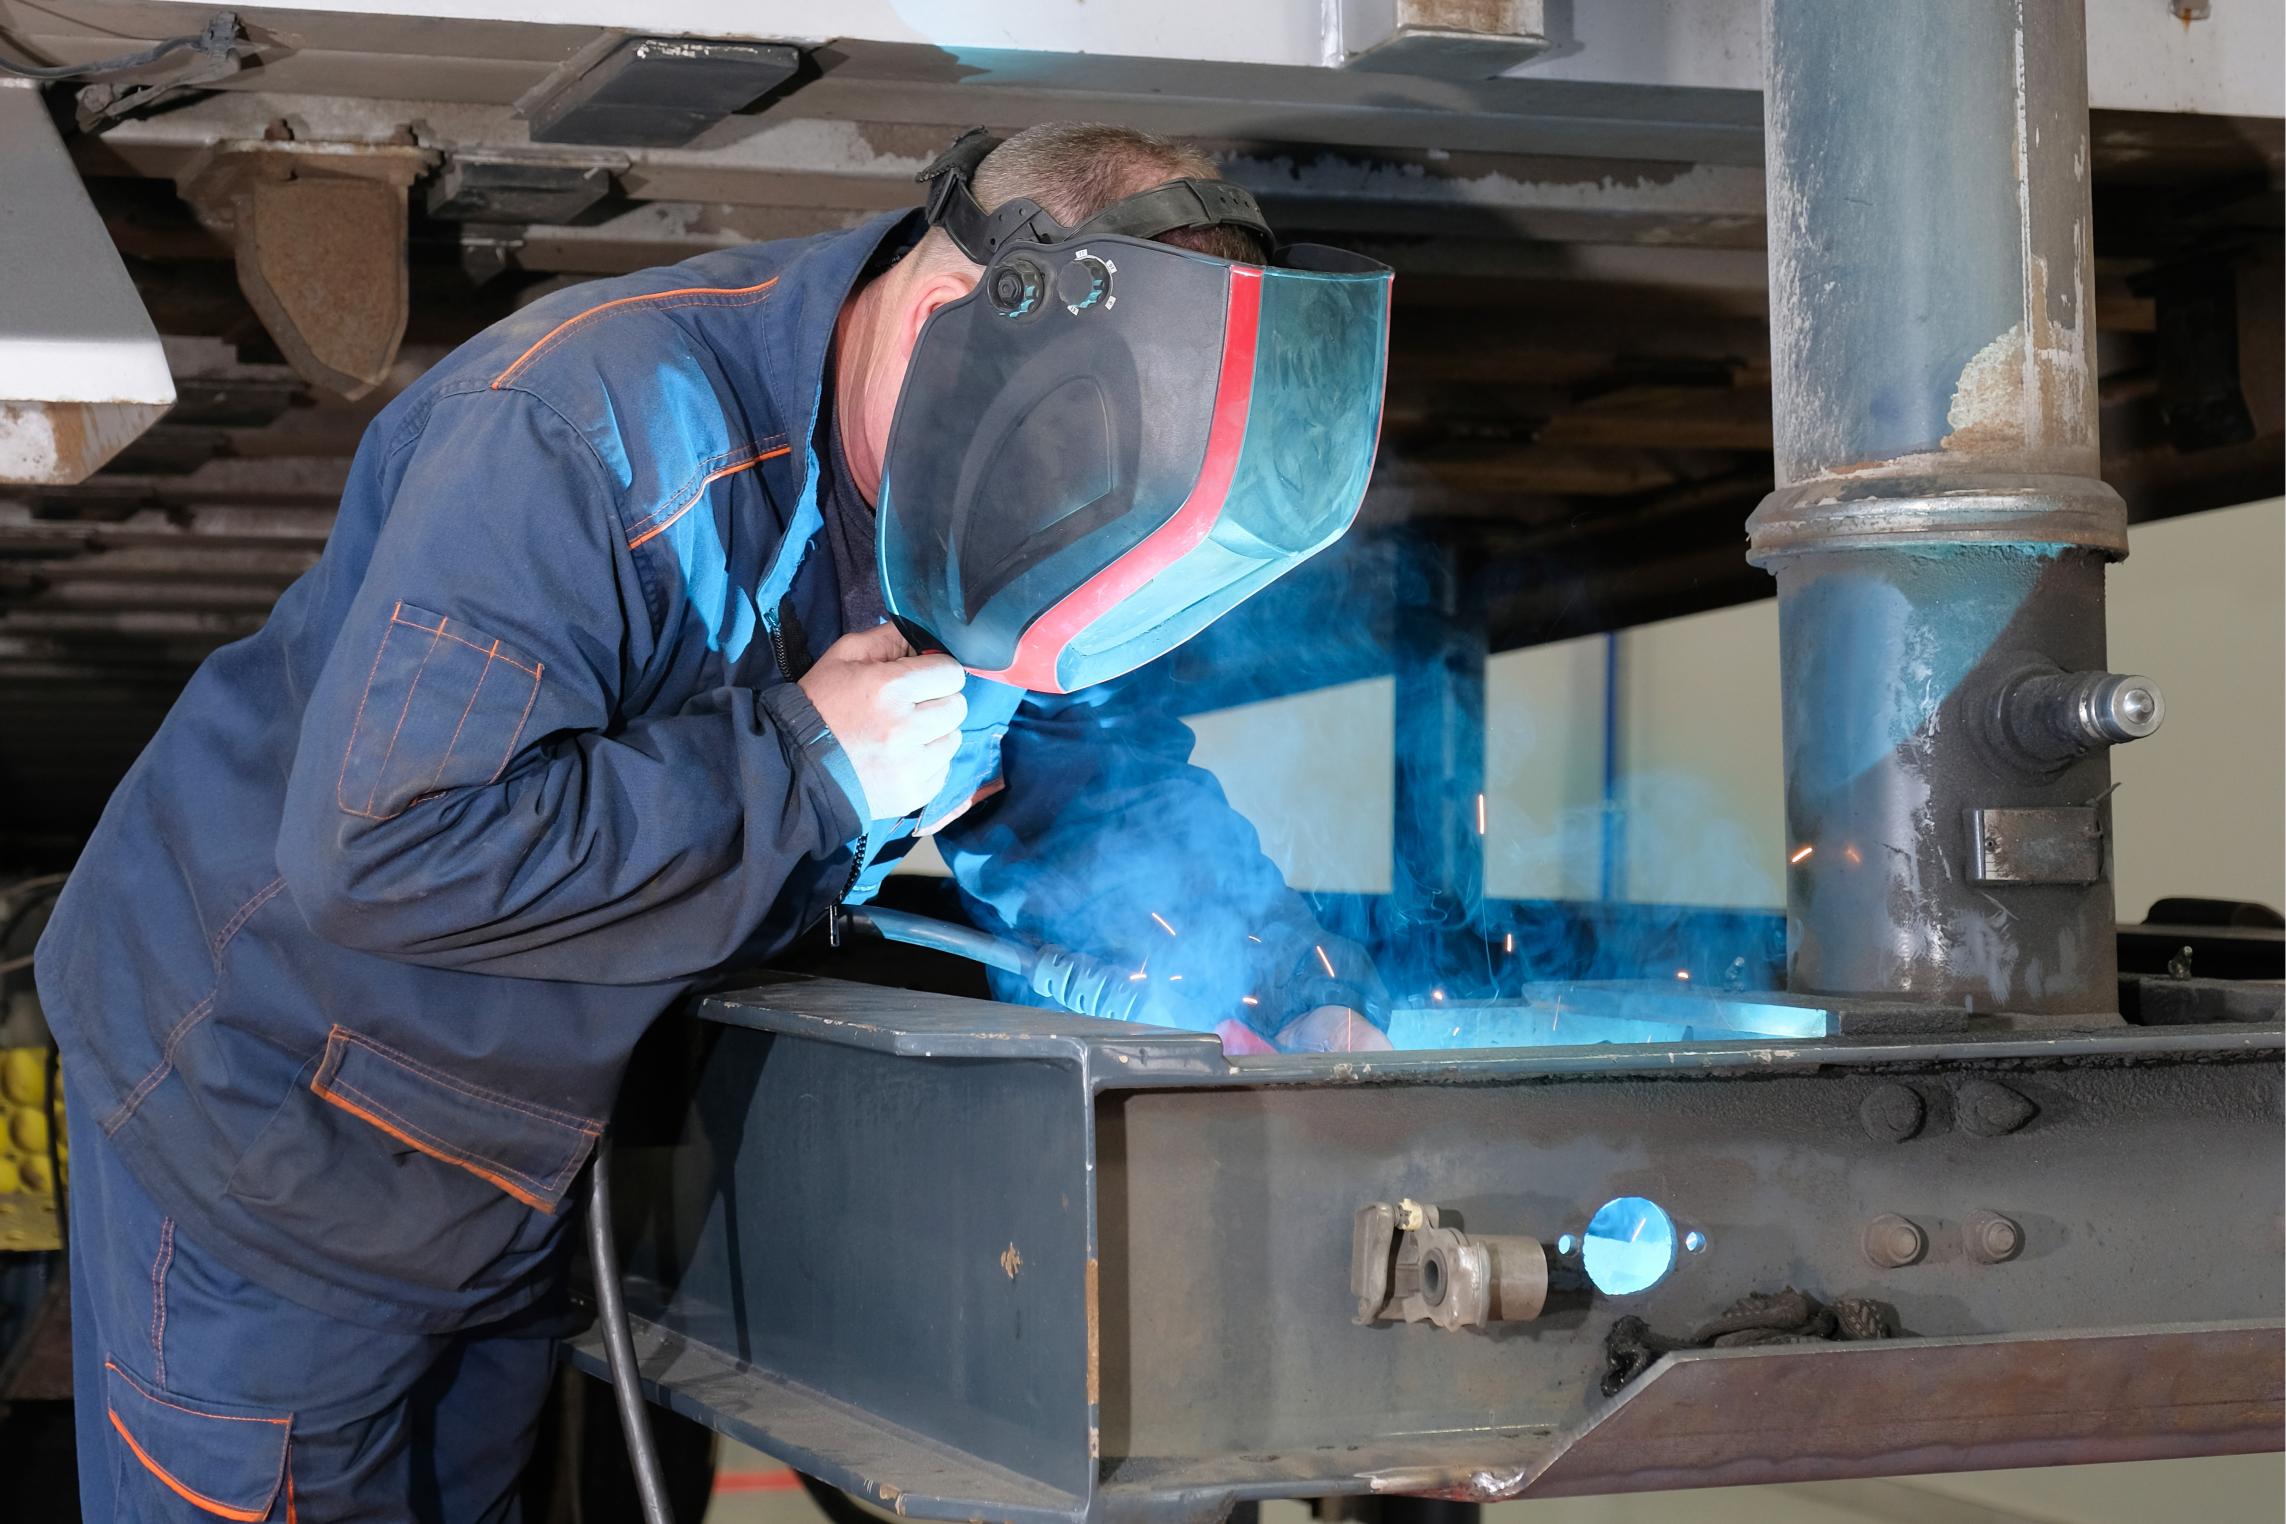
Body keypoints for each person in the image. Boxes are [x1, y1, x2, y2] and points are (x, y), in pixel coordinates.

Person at [37, 122, 1391, 1521]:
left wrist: (1284, 992)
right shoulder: (582, 430)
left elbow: (1081, 774)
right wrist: (805, 767)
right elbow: (388, 848)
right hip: (266, 1135)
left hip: (511, 1175)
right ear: (948, 322)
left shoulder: (1001, 480)